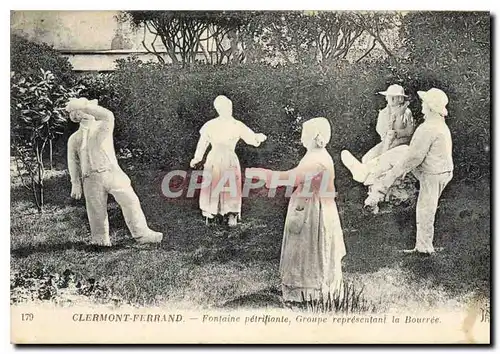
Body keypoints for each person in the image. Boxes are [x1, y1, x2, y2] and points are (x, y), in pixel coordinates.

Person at [342, 88, 453, 255]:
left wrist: (394, 173)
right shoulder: (438, 125)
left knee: (425, 209)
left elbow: (413, 159)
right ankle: (369, 178)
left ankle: (424, 248)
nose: (421, 106)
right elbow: (413, 155)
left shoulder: (429, 128)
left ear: (430, 107)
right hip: (435, 170)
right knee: (400, 153)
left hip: (433, 173)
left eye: (424, 103)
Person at [246, 117, 346, 304]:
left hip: (314, 210)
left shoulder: (318, 159)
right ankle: (304, 289)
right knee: (301, 248)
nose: (301, 137)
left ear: (315, 136)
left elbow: (293, 177)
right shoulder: (315, 155)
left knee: (307, 249)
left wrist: (264, 174)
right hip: (308, 205)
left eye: (305, 133)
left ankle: (309, 292)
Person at [66, 97, 163, 246]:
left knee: (130, 200)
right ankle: (100, 240)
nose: (78, 115)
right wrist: (75, 183)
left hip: (111, 172)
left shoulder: (103, 126)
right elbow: (73, 162)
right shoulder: (74, 138)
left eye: (80, 112)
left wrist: (84, 106)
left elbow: (107, 115)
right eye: (74, 113)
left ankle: (142, 234)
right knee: (96, 210)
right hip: (90, 177)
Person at [190, 95, 267, 227]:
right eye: (223, 108)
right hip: (214, 158)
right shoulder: (210, 125)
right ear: (217, 109)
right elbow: (202, 144)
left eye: (228, 107)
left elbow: (250, 137)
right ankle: (211, 213)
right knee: (213, 184)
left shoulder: (236, 125)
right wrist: (197, 158)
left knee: (230, 185)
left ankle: (232, 214)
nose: (227, 110)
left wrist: (257, 138)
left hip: (230, 158)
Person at [362, 84, 415, 163]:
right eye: (390, 96)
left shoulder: (407, 112)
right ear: (386, 97)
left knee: (385, 160)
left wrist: (397, 133)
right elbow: (379, 128)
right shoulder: (383, 113)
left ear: (401, 98)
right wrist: (387, 134)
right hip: (386, 142)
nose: (392, 99)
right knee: (367, 158)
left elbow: (410, 130)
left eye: (396, 97)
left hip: (402, 142)